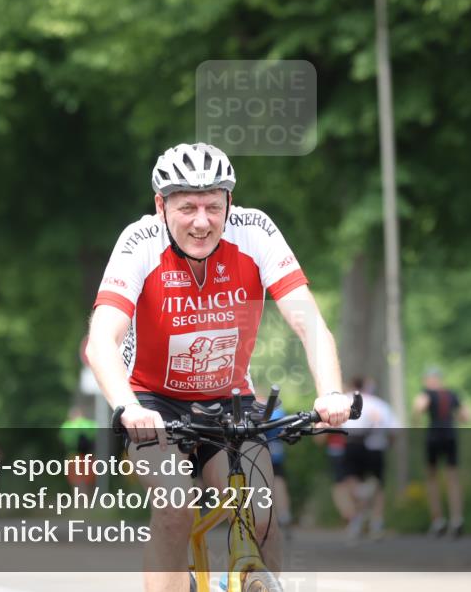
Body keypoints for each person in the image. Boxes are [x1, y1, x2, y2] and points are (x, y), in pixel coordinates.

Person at [86, 142, 352, 592]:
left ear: (230, 202)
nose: (202, 221)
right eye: (187, 207)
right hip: (151, 401)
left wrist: (329, 392)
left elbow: (310, 325)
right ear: (160, 205)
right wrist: (128, 408)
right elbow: (101, 341)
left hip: (229, 402)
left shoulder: (256, 232)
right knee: (176, 506)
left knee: (262, 513)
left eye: (213, 205)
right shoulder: (139, 242)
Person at [413, 366, 470, 538]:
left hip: (434, 437)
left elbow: (419, 408)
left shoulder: (426, 393)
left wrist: (415, 420)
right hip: (451, 435)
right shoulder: (452, 394)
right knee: (453, 478)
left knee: (432, 478)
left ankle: (438, 520)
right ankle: (457, 518)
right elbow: (467, 416)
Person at [342, 376, 398, 540]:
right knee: (377, 485)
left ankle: (358, 518)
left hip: (352, 445)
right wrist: (388, 443)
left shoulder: (344, 401)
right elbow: (394, 430)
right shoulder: (379, 404)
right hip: (376, 447)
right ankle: (376, 521)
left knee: (353, 482)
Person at [258, 391, 292, 530]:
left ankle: (264, 515)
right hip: (276, 452)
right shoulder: (277, 410)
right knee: (278, 482)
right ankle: (284, 514)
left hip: (257, 452)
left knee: (259, 484)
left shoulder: (250, 409)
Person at [60, 406, 98, 492]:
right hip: (88, 455)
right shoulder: (88, 423)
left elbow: (64, 441)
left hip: (73, 455)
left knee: (76, 479)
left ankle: (79, 499)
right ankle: (87, 499)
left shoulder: (66, 426)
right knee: (88, 479)